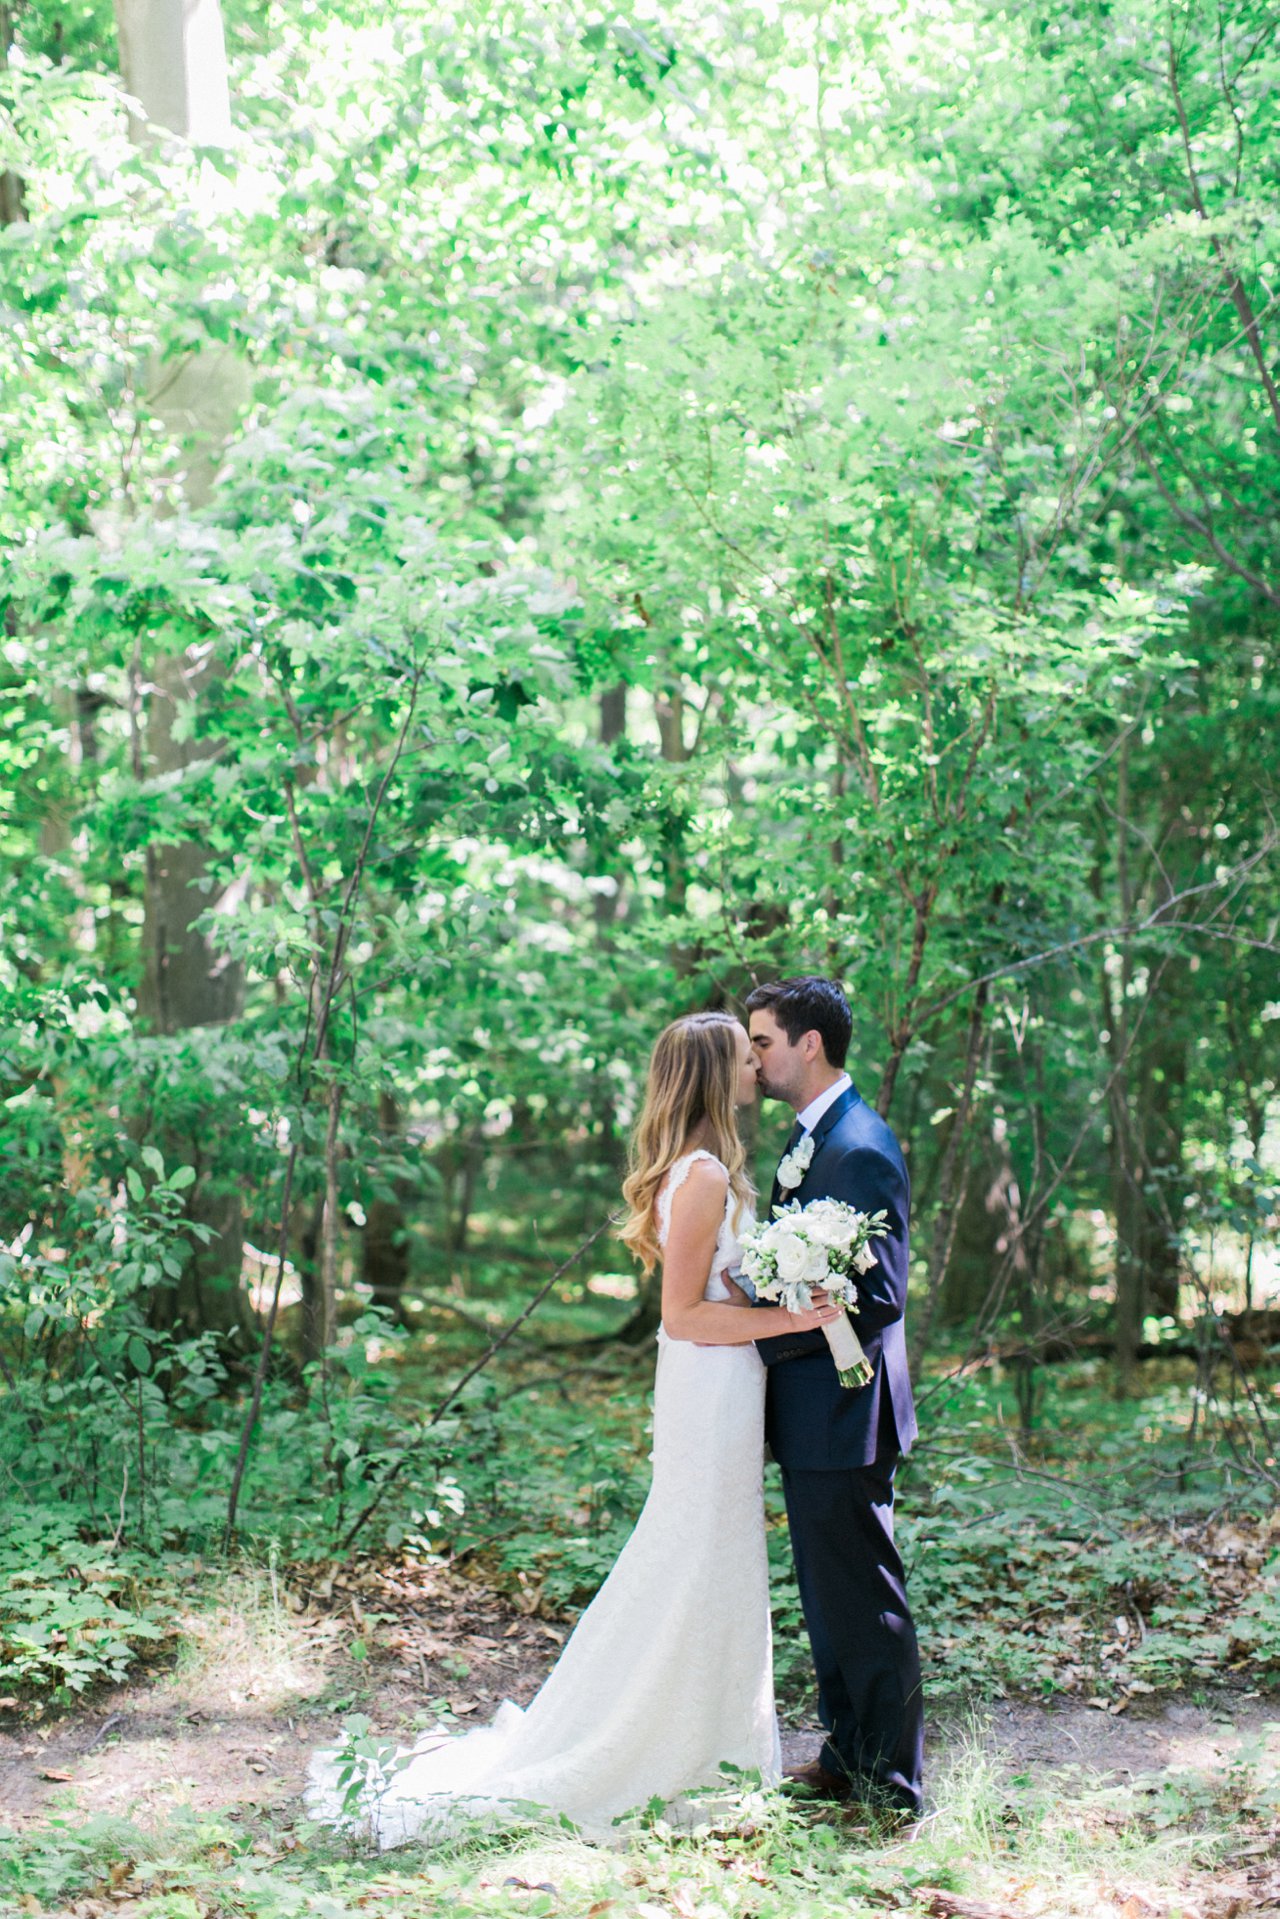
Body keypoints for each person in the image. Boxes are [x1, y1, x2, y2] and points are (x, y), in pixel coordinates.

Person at [305, 1010, 843, 1845]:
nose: (755, 1067)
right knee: (696, 1552)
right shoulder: (699, 1176)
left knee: (711, 1555)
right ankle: (667, 1751)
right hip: (707, 1383)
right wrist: (797, 1323)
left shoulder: (705, 1171)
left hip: (722, 1383)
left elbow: (719, 1291)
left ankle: (708, 1744)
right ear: (712, 1075)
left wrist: (778, 1290)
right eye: (744, 1055)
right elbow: (684, 1315)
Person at [746, 975, 924, 1817]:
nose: (753, 1057)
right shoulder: (811, 1139)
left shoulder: (859, 1146)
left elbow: (879, 1291)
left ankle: (893, 1785)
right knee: (829, 1594)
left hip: (848, 1407)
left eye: (762, 1042)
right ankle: (847, 1754)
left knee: (865, 1594)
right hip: (816, 1407)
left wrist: (759, 1331)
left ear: (807, 1043)